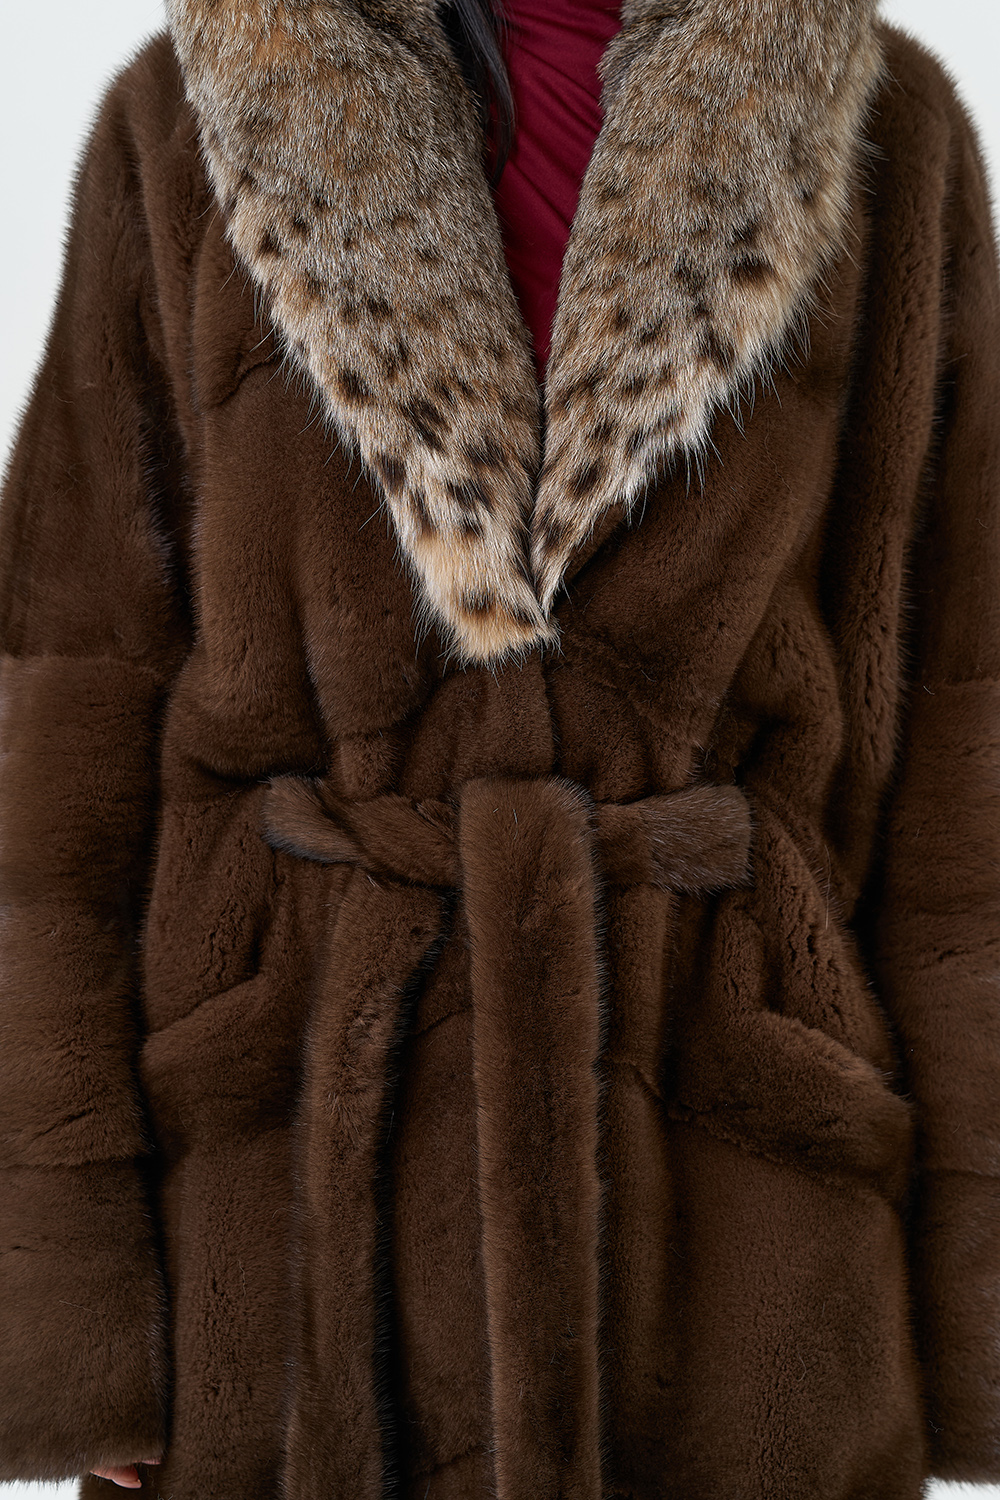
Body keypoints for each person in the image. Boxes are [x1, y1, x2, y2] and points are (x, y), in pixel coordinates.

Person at [1, 0, 999, 1495]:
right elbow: (69, 714)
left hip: (739, 1214)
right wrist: (73, 1306)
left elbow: (961, 737)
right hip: (286, 1198)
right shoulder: (201, 113)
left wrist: (974, 1312)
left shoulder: (876, 124)